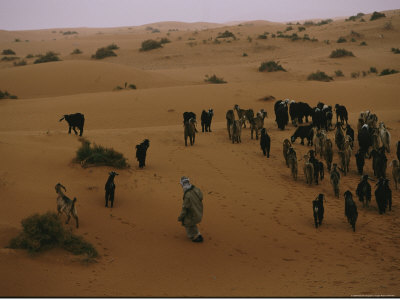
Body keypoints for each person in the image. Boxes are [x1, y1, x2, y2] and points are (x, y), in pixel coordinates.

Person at [178, 176, 204, 243]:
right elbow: (201, 196)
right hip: (199, 209)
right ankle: (197, 234)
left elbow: (185, 208)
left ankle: (196, 236)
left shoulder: (187, 195)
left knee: (187, 222)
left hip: (193, 212)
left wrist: (180, 217)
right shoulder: (196, 189)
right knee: (191, 223)